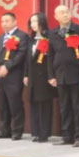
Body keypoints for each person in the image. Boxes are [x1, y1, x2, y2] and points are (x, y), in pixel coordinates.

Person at [48, 5, 79, 147]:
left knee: (78, 107)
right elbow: (50, 55)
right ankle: (66, 136)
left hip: (76, 74)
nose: (65, 15)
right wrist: (51, 75)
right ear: (56, 16)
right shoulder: (52, 33)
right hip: (60, 75)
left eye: (67, 12)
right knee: (64, 107)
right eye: (62, 13)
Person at [0, 12, 29, 140]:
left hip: (13, 75)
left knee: (14, 103)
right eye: (2, 21)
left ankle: (17, 131)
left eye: (7, 21)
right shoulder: (0, 37)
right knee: (1, 104)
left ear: (14, 22)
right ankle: (4, 130)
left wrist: (7, 67)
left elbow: (21, 55)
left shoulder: (22, 36)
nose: (4, 24)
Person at [23, 13, 57, 142]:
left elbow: (52, 58)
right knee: (34, 104)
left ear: (42, 22)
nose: (33, 24)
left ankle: (44, 133)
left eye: (35, 21)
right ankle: (36, 132)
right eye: (31, 22)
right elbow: (28, 60)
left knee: (44, 105)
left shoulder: (49, 37)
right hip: (33, 77)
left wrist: (51, 75)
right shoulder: (31, 39)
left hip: (44, 76)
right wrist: (26, 74)